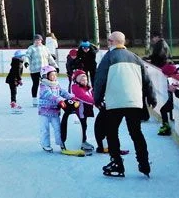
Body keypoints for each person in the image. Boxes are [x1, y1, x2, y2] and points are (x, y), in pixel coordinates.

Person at [94, 31, 157, 178]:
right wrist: (152, 98)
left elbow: (99, 79)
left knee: (112, 132)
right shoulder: (136, 58)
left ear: (111, 42)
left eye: (108, 41)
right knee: (136, 133)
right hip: (134, 102)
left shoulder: (108, 57)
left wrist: (97, 99)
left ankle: (117, 163)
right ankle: (144, 162)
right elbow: (147, 80)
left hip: (114, 102)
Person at [37, 66, 73, 152]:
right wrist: (59, 100)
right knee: (45, 129)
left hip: (54, 112)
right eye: (51, 75)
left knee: (58, 128)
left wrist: (71, 97)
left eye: (55, 75)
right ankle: (46, 145)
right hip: (44, 112)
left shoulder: (57, 85)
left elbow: (63, 92)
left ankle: (61, 143)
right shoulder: (43, 86)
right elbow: (48, 95)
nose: (54, 77)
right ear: (45, 76)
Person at [61, 69, 96, 152]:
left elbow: (92, 95)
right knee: (81, 127)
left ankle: (83, 140)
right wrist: (95, 101)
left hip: (85, 111)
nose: (84, 81)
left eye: (85, 79)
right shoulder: (75, 87)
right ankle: (80, 141)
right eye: (81, 79)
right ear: (76, 80)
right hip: (79, 112)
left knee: (84, 126)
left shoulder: (88, 87)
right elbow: (83, 97)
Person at [25, 35, 55, 106]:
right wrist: (26, 62)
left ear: (41, 40)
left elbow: (49, 57)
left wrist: (55, 66)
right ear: (34, 41)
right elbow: (27, 56)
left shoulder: (45, 48)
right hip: (34, 70)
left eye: (39, 40)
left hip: (44, 70)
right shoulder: (31, 48)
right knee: (35, 84)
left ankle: (47, 98)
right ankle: (34, 99)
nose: (37, 41)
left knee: (46, 84)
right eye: (36, 40)